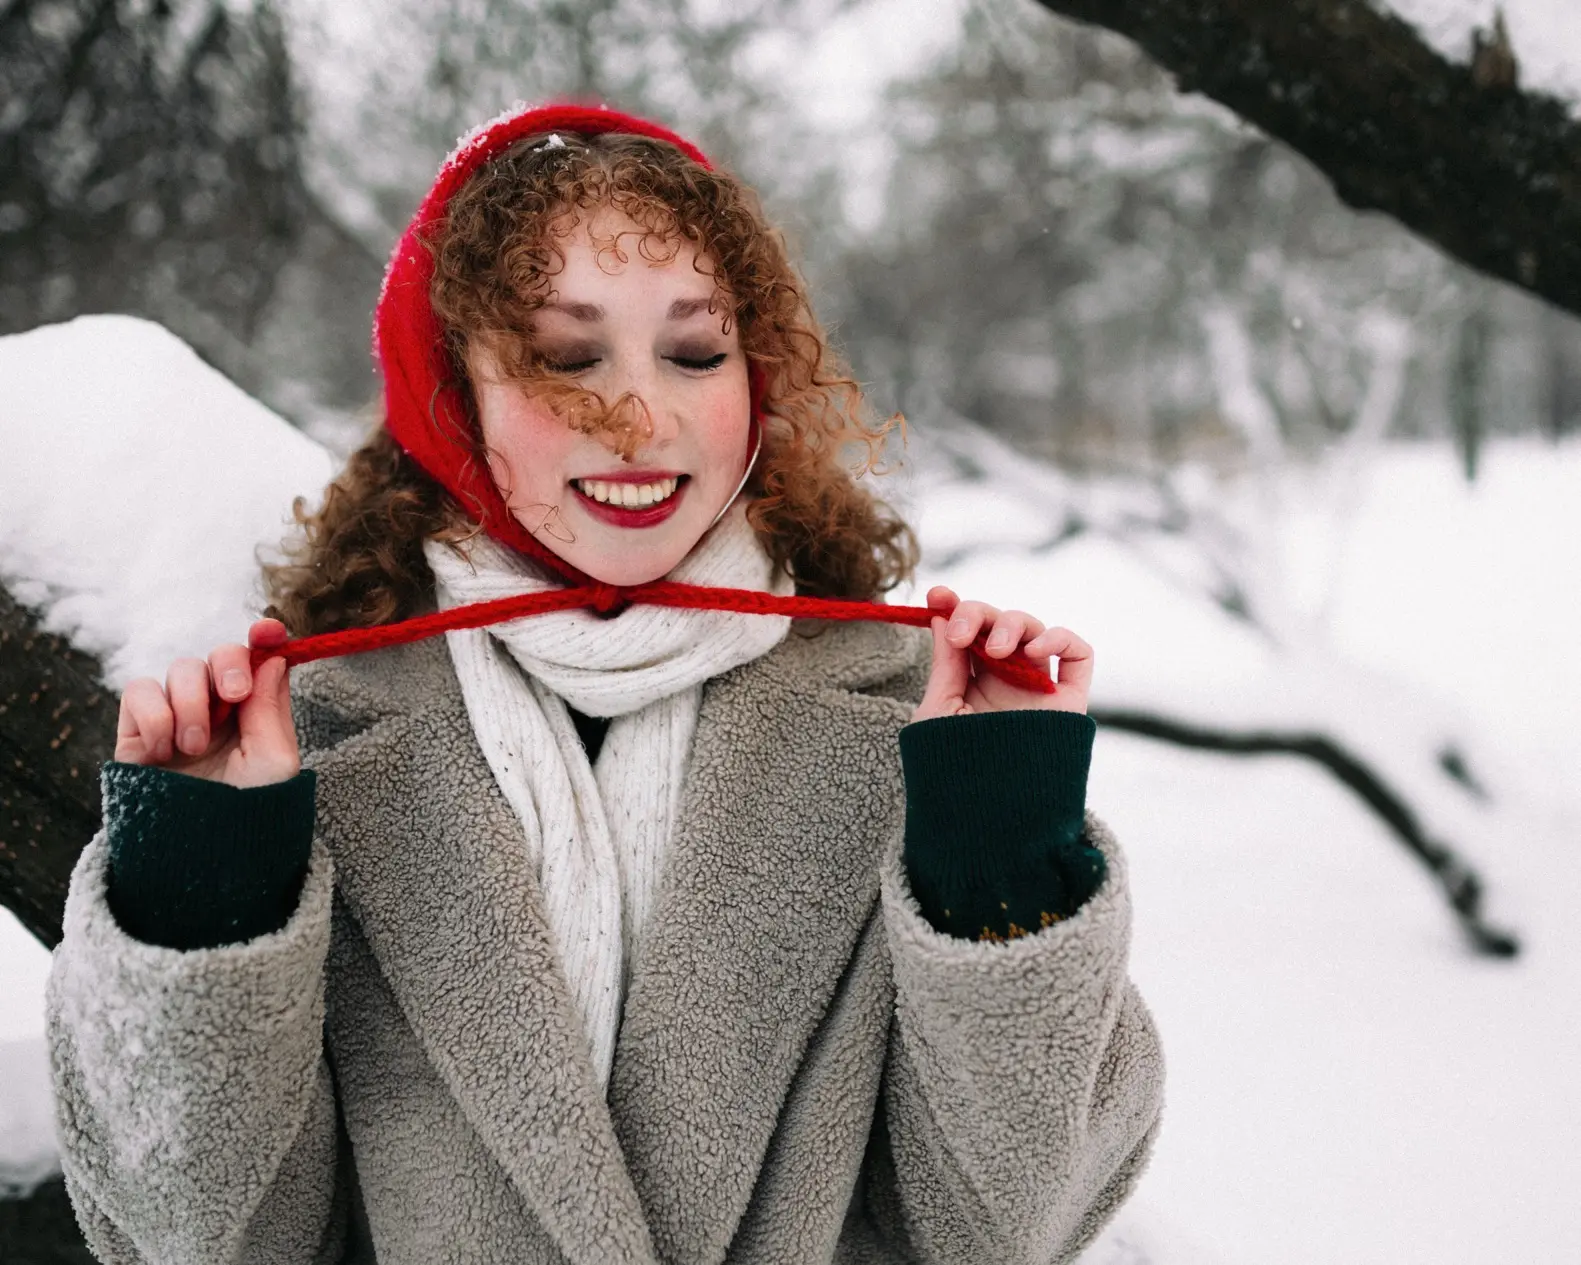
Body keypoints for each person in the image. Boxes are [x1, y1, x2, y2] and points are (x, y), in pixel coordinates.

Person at [46, 103, 1164, 1264]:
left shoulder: (908, 723)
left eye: (695, 351)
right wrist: (201, 890)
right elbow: (197, 1241)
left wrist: (1000, 851)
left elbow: (1006, 1230)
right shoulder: (310, 741)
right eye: (565, 357)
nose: (642, 412)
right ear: (449, 397)